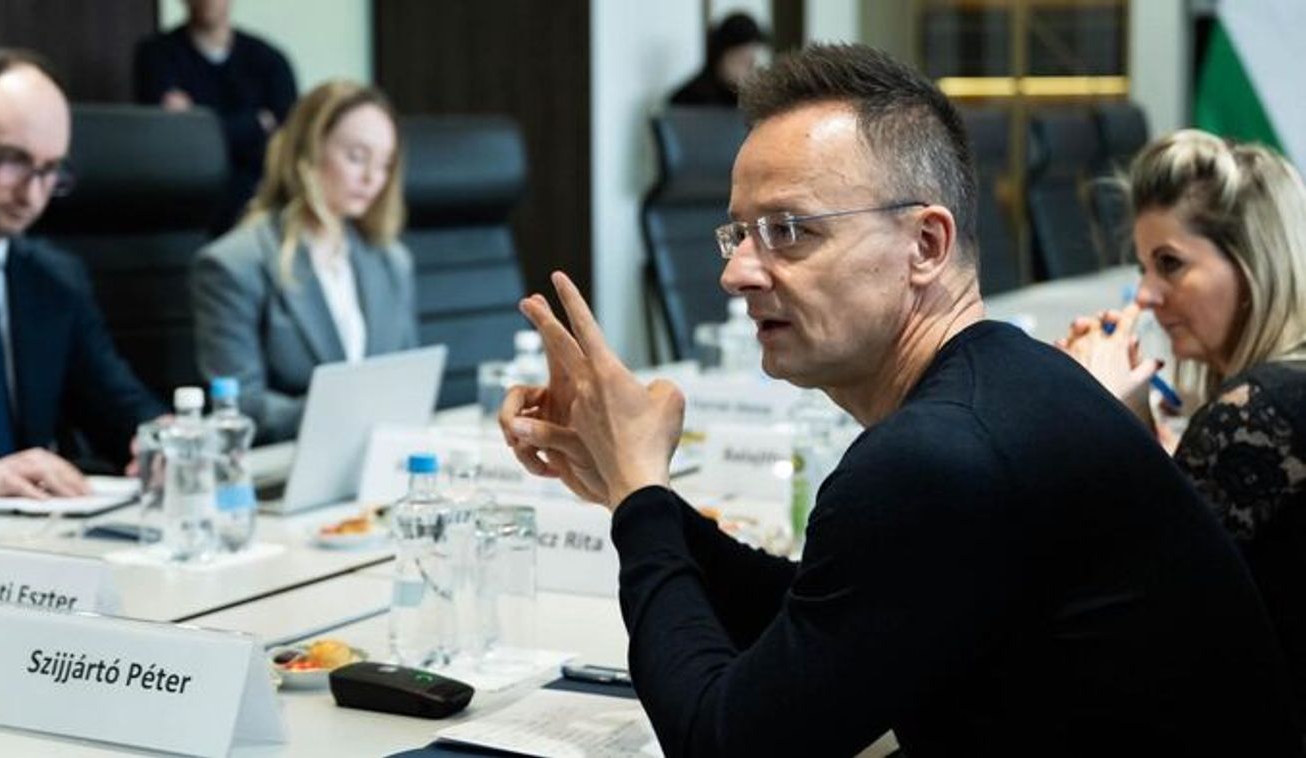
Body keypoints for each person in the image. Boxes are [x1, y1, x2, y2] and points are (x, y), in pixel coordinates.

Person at [499, 45, 1302, 756]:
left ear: (925, 244)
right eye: (738, 233)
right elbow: (837, 620)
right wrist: (631, 488)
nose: (735, 272)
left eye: (788, 230)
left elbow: (721, 741)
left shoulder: (938, 455)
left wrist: (642, 498)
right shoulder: (1008, 381)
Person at [1057, 129, 1306, 729]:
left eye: (1170, 263)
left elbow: (1128, 611)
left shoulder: (1256, 413)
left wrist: (1088, 416)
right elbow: (1190, 540)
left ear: (1253, 263)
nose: (1145, 295)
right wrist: (1135, 419)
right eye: (1144, 267)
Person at [0, 49, 165, 499]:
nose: (32, 193)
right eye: (11, 159)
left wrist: (158, 438)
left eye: (50, 169)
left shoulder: (54, 278)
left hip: (35, 530)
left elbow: (116, 404)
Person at [192, 80, 418, 444]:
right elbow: (239, 406)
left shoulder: (392, 261)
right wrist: (349, 412)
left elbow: (406, 380)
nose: (372, 178)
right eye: (357, 157)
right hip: (288, 460)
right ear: (309, 150)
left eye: (384, 164)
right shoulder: (235, 264)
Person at [133, 0, 298, 233]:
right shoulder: (157, 55)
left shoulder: (269, 61)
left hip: (256, 206)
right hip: (184, 207)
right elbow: (170, 140)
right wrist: (253, 125)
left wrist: (198, 121)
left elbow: (288, 141)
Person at [669, 12, 768, 108]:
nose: (748, 70)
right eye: (741, 61)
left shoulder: (756, 98)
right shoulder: (688, 100)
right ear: (721, 56)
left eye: (751, 62)